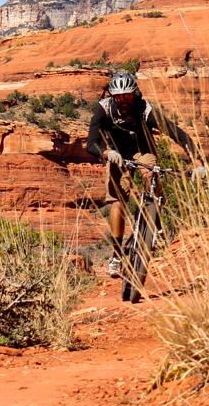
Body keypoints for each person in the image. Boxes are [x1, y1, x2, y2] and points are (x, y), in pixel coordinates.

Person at [85, 69, 198, 278]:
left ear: (134, 93)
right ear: (112, 96)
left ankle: (156, 223)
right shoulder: (104, 109)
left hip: (142, 151)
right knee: (117, 202)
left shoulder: (144, 108)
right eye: (119, 96)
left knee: (153, 176)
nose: (123, 100)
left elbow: (174, 131)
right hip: (116, 155)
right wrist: (106, 153)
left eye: (127, 95)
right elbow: (91, 143)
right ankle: (117, 256)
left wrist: (195, 157)